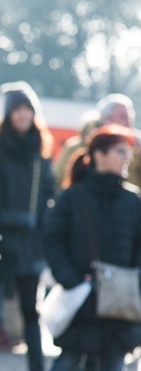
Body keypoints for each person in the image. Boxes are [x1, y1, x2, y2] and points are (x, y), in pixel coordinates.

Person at [0, 81, 56, 371]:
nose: (23, 115)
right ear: (8, 114)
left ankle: (36, 366)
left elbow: (47, 198)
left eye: (27, 110)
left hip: (28, 243)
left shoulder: (39, 155)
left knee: (30, 311)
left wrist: (40, 232)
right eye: (17, 110)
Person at [44, 125, 141, 370]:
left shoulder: (133, 201)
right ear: (99, 154)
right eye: (120, 151)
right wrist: (72, 280)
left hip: (119, 307)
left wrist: (134, 283)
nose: (127, 157)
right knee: (68, 361)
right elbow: (52, 240)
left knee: (113, 363)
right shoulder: (72, 197)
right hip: (82, 301)